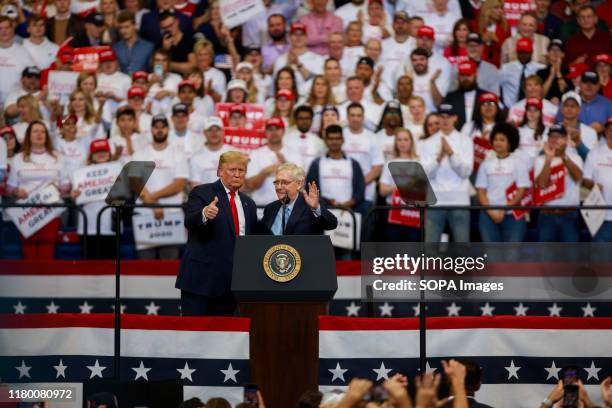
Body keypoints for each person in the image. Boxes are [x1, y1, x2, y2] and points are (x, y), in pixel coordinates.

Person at [177, 151, 259, 316]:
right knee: (194, 337)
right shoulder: (202, 193)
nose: (237, 174)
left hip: (232, 286)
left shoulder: (249, 203)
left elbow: (253, 240)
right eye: (232, 169)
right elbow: (190, 221)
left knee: (224, 339)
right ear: (219, 171)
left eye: (241, 170)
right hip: (201, 283)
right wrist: (204, 214)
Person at [6, 121, 69, 258]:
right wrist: (17, 192)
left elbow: (66, 185)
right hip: (27, 212)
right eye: (35, 131)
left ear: (47, 135)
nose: (39, 134)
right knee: (29, 254)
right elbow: (10, 188)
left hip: (50, 212)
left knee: (47, 254)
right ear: (29, 135)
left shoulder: (58, 157)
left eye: (42, 131)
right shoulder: (18, 158)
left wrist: (59, 187)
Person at [133, 115, 188, 259]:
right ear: (151, 130)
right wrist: (154, 204)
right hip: (144, 216)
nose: (159, 130)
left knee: (169, 265)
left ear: (167, 129)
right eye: (156, 127)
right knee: (145, 266)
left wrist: (153, 198)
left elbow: (179, 184)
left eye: (162, 127)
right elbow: (135, 184)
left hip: (172, 215)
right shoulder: (140, 153)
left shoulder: (178, 153)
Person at [419, 103, 473, 242]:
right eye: (441, 116)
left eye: (448, 117)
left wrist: (451, 154)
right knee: (431, 247)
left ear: (455, 118)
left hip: (459, 200)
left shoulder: (465, 141)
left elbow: (466, 172)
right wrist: (438, 159)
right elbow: (424, 174)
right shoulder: (428, 143)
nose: (445, 120)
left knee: (462, 247)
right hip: (435, 200)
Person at [476, 123, 530, 242]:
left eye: (502, 140)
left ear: (510, 142)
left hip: (513, 215)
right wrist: (491, 211)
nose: (498, 142)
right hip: (488, 216)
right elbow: (481, 191)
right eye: (495, 139)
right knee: (492, 257)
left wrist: (503, 210)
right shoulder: (486, 163)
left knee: (511, 257)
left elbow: (521, 191)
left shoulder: (519, 163)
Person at [71, 139, 120, 259]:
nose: (101, 154)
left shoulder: (118, 170)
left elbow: (125, 197)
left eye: (104, 151)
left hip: (111, 226)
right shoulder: (81, 173)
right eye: (97, 152)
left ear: (109, 153)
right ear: (91, 155)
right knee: (90, 267)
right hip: (88, 226)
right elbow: (76, 196)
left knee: (111, 268)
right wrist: (74, 195)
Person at [535, 124, 583, 242]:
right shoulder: (540, 160)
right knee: (546, 257)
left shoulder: (575, 158)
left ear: (566, 139)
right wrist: (548, 160)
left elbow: (578, 178)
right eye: (552, 136)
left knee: (570, 258)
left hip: (569, 215)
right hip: (547, 215)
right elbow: (541, 185)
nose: (555, 139)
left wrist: (563, 156)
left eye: (559, 136)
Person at [262, 163, 337, 235]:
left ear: (299, 184)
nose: (279, 187)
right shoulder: (270, 209)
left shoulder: (311, 206)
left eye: (284, 182)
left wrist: (316, 208)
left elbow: (331, 224)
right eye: (276, 183)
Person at [306, 124, 365, 210]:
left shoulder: (353, 164)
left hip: (349, 212)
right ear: (325, 141)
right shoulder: (316, 164)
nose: (334, 142)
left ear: (342, 140)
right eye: (331, 139)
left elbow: (360, 191)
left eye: (337, 139)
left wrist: (349, 203)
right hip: (323, 211)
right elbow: (310, 190)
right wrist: (326, 201)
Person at [378, 128, 422, 241]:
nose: (402, 142)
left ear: (411, 142)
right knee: (394, 252)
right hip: (393, 211)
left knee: (412, 252)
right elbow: (382, 191)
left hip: (413, 213)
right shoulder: (389, 163)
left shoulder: (419, 162)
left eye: (406, 139)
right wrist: (400, 186)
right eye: (399, 140)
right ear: (395, 143)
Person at [246, 117, 302, 206]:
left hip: (288, 207)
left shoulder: (294, 154)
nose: (274, 132)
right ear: (265, 132)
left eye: (277, 129)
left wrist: (285, 165)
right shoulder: (256, 154)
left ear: (283, 131)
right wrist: (265, 172)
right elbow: (250, 185)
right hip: (261, 207)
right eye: (270, 129)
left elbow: (301, 185)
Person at [342, 102, 384, 213]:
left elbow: (377, 167)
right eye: (352, 115)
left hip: (366, 194)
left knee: (365, 230)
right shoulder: (340, 135)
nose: (356, 119)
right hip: (341, 195)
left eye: (359, 115)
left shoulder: (372, 137)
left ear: (363, 117)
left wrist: (359, 185)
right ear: (347, 117)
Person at [583, 118, 612, 242]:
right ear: (605, 132)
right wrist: (593, 185)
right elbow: (585, 180)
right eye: (610, 130)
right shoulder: (594, 153)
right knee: (600, 259)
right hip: (601, 217)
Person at [500, 38, 546, 108]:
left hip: (534, 108)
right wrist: (501, 107)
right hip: (509, 109)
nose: (523, 55)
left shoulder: (541, 68)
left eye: (526, 52)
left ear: (531, 52)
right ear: (516, 52)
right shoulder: (506, 68)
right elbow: (493, 88)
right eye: (520, 52)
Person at [0, 16, 36, 105]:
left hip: (16, 105)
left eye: (7, 27)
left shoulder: (23, 52)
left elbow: (33, 78)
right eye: (0, 28)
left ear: (13, 29)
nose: (4, 31)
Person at [189, 116, 232, 188]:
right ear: (204, 133)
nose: (214, 133)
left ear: (223, 132)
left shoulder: (234, 155)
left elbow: (241, 184)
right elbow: (195, 187)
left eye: (217, 129)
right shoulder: (196, 158)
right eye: (210, 130)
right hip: (206, 199)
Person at [442, 60, 486, 130]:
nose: (465, 78)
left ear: (475, 75)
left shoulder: (486, 96)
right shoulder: (450, 97)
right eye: (462, 75)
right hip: (455, 137)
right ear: (458, 77)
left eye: (468, 75)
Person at [284, 105, 326, 172]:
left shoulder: (319, 142)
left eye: (307, 118)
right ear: (295, 119)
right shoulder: (285, 139)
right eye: (301, 118)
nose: (304, 121)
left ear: (312, 120)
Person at [113, 10, 154, 75]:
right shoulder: (115, 48)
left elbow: (154, 70)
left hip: (143, 83)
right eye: (120, 28)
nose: (123, 31)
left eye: (127, 27)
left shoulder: (148, 47)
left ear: (135, 25)